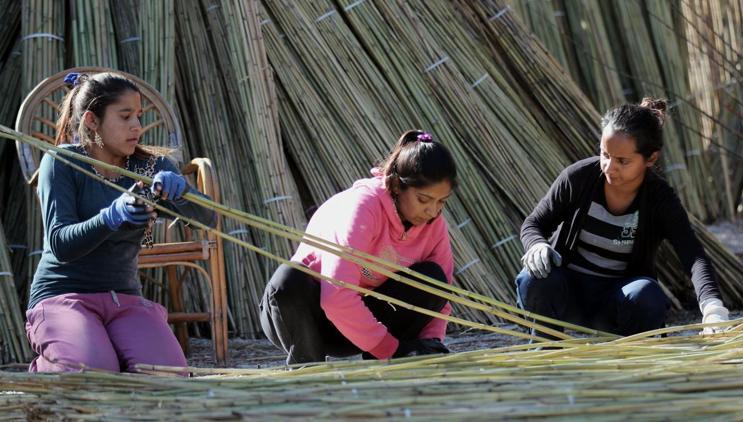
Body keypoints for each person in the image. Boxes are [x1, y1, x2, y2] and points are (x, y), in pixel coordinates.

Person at [25, 72, 217, 372]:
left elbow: (208, 218)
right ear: (92, 120)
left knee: (168, 375)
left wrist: (183, 194)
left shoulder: (151, 167)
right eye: (125, 117)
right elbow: (61, 244)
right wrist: (111, 216)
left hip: (123, 298)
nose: (137, 127)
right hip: (63, 296)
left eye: (138, 116)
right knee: (91, 373)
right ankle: (49, 368)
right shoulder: (63, 162)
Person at [516, 98, 729, 338]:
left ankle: (627, 355)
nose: (608, 167)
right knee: (535, 278)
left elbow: (693, 256)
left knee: (647, 294)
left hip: (616, 301)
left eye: (622, 161)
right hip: (567, 295)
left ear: (650, 159)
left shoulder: (660, 199)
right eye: (604, 154)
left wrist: (712, 307)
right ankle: (548, 347)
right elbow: (533, 224)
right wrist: (537, 245)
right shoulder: (578, 178)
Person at [261, 130, 457, 364]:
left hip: (362, 324)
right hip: (305, 318)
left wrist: (431, 344)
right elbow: (336, 298)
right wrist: (389, 349)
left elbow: (440, 299)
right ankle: (308, 367)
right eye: (424, 200)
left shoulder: (434, 225)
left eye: (441, 202)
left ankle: (396, 366)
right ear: (396, 185)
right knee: (288, 280)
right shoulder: (364, 208)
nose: (432, 211)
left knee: (433, 279)